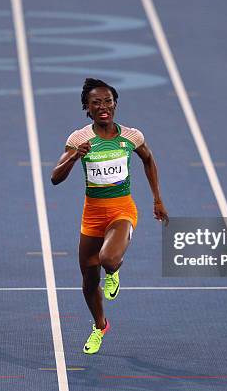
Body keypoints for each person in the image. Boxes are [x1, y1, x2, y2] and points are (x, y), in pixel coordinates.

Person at [51, 78, 168, 354]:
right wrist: (74, 157)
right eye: (96, 103)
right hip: (91, 216)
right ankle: (100, 325)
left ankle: (113, 272)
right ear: (87, 108)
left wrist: (157, 198)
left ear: (115, 104)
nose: (103, 107)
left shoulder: (131, 136)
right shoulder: (79, 139)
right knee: (89, 282)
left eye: (108, 101)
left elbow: (148, 159)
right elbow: (55, 178)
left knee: (108, 259)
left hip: (122, 210)